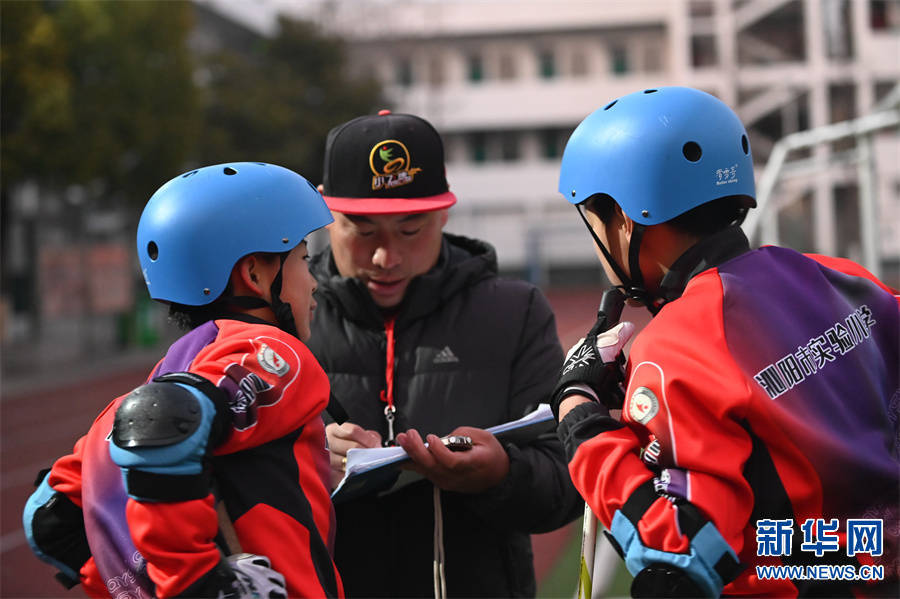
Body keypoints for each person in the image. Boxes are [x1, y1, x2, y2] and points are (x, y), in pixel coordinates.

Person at [549, 86, 899, 597]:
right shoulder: (842, 276)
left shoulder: (672, 349)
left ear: (623, 221)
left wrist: (579, 415)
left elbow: (680, 549)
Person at [23, 162, 344, 598]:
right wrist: (196, 584)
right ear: (254, 275)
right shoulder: (275, 350)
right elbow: (164, 424)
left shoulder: (137, 399)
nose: (315, 283)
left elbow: (48, 518)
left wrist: (135, 586)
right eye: (303, 260)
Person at [306, 110, 583, 597]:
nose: (385, 258)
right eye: (363, 230)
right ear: (326, 213)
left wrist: (500, 473)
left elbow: (566, 485)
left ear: (444, 213)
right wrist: (305, 463)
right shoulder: (288, 322)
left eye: (411, 231)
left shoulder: (514, 313)